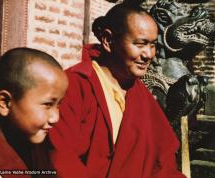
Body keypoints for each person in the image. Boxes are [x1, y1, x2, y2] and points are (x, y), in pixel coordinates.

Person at [48, 2, 186, 178]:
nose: (149, 54)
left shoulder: (139, 92)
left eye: (152, 45)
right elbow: (60, 158)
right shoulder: (75, 86)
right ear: (108, 40)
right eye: (140, 44)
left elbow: (163, 162)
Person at [0, 48, 68, 178]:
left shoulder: (37, 150)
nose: (56, 118)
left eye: (58, 105)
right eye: (47, 104)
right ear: (5, 103)